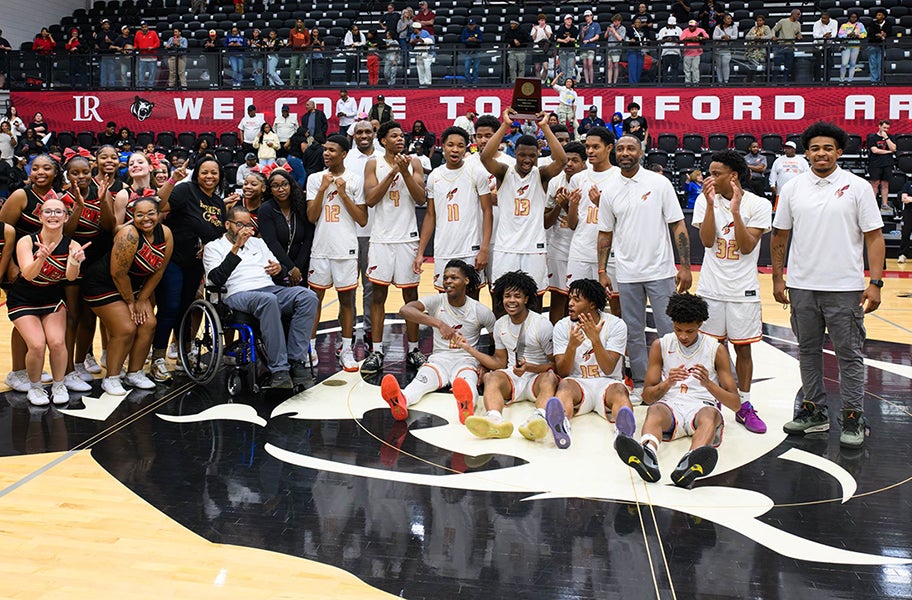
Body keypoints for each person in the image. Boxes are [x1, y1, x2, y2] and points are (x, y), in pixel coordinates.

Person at [771, 121, 885, 448]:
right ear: (806, 153)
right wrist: (779, 277)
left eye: (828, 148)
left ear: (839, 151)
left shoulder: (858, 186)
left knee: (848, 354)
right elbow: (780, 235)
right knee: (807, 351)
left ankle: (852, 415)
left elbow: (874, 237)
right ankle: (814, 412)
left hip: (845, 286)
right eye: (815, 148)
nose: (821, 153)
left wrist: (875, 282)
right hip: (802, 286)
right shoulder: (792, 187)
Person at [597, 134, 692, 400]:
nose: (625, 152)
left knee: (669, 331)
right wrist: (602, 271)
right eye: (620, 149)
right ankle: (641, 383)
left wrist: (684, 266)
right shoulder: (610, 189)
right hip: (626, 273)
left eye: (631, 148)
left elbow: (677, 224)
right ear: (615, 153)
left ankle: (674, 382)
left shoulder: (659, 183)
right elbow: (605, 233)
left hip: (660, 271)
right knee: (633, 332)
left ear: (641, 152)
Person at [614, 293, 741, 488]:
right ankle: (648, 454)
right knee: (654, 410)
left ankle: (691, 461)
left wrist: (709, 384)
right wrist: (667, 383)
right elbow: (647, 396)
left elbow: (735, 403)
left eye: (689, 331)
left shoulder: (716, 350)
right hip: (671, 405)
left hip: (702, 405)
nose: (683, 336)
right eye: (678, 329)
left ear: (700, 324)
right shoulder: (661, 345)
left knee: (709, 416)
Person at [691, 150, 771, 434]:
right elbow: (708, 241)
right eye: (709, 173)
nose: (709, 179)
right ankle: (713, 400)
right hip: (711, 287)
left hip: (742, 290)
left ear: (733, 176)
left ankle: (745, 405)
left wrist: (735, 211)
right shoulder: (705, 201)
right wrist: (712, 206)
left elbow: (747, 246)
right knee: (712, 350)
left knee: (743, 348)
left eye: (716, 174)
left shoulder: (758, 204)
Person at [204, 204, 318, 388]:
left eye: (248, 225)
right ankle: (279, 370)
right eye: (239, 225)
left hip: (268, 287)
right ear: (227, 225)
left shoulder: (258, 243)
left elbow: (280, 273)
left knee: (307, 297)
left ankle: (296, 362)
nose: (245, 230)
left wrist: (279, 269)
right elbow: (215, 280)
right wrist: (235, 248)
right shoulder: (213, 247)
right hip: (237, 293)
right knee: (268, 301)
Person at [379, 259, 496, 423]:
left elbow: (495, 343)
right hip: (439, 360)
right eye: (446, 277)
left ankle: (466, 406)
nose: (448, 281)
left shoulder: (480, 310)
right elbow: (405, 310)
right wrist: (439, 323)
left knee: (467, 381)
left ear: (466, 281)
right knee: (420, 381)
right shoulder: (436, 301)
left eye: (454, 278)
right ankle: (401, 400)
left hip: (466, 360)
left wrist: (484, 365)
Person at [81, 197, 172, 395]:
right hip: (102, 284)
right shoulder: (128, 234)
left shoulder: (165, 233)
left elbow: (158, 272)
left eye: (151, 213)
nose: (146, 218)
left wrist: (141, 300)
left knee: (149, 323)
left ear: (159, 215)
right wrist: (131, 302)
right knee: (126, 328)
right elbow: (118, 273)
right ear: (132, 216)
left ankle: (134, 373)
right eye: (140, 214)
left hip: (134, 287)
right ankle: (111, 378)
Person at [361, 120, 429, 374]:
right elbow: (370, 200)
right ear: (383, 141)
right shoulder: (373, 164)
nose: (400, 139)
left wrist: (405, 172)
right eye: (394, 135)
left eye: (402, 135)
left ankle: (413, 349)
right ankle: (377, 351)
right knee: (378, 296)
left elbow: (420, 197)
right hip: (381, 238)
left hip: (407, 238)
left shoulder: (414, 163)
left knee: (410, 296)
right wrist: (392, 173)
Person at [151, 157, 227, 382]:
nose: (209, 176)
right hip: (173, 259)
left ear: (220, 176)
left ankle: (184, 354)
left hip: (196, 265)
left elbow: (217, 234)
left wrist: (208, 246)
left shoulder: (218, 203)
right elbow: (159, 206)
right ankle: (158, 358)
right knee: (170, 307)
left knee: (186, 309)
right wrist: (173, 180)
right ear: (197, 174)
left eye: (214, 172)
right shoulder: (186, 190)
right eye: (204, 172)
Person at [7, 197, 87, 406]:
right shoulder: (26, 241)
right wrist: (41, 257)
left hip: (51, 299)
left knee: (58, 342)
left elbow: (70, 277)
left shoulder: (73, 244)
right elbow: (28, 274)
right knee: (36, 345)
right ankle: (35, 387)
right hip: (23, 299)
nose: (53, 215)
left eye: (58, 211)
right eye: (48, 211)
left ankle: (58, 384)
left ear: (66, 217)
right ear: (40, 215)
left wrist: (74, 261)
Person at [480, 109, 567, 296]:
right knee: (502, 297)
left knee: (534, 298)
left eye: (532, 156)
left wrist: (544, 126)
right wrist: (505, 125)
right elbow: (485, 157)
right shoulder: (504, 172)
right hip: (506, 248)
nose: (527, 160)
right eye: (522, 155)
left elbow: (562, 160)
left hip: (534, 248)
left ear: (537, 155)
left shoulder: (541, 174)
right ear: (515, 154)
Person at [463, 271, 558, 439]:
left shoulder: (542, 325)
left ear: (526, 299)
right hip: (512, 377)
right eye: (507, 296)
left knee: (550, 379)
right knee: (490, 378)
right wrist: (470, 350)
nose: (511, 301)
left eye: (517, 296)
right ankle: (494, 419)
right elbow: (500, 362)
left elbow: (556, 366)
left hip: (536, 378)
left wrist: (531, 367)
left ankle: (539, 419)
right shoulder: (500, 324)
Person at [545, 279, 635, 449]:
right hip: (578, 383)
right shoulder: (562, 327)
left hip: (608, 381)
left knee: (620, 391)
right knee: (564, 385)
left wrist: (595, 340)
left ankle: (624, 434)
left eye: (576, 300)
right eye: (570, 298)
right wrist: (571, 347)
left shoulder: (616, 325)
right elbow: (563, 371)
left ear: (592, 304)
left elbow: (608, 368)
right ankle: (562, 424)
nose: (570, 304)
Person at [305, 135, 367, 372]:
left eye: (332, 150)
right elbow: (311, 216)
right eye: (325, 149)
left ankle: (347, 349)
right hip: (320, 249)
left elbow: (362, 219)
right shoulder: (314, 179)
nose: (326, 153)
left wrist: (342, 193)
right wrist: (322, 189)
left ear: (344, 154)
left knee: (347, 301)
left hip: (346, 249)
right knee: (314, 300)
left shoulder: (354, 180)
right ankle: (309, 347)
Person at [416, 126, 493, 296]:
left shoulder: (477, 172)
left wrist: (484, 249)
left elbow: (487, 211)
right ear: (442, 146)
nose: (455, 149)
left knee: (472, 301)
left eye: (460, 145)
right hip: (444, 248)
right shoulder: (435, 176)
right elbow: (430, 215)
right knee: (445, 301)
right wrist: (420, 252)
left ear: (466, 148)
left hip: (471, 249)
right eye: (451, 145)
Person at [565, 127, 619, 313]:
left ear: (609, 147)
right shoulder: (578, 178)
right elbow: (572, 225)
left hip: (610, 254)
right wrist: (572, 205)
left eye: (595, 147)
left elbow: (622, 222)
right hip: (580, 250)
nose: (590, 151)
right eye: (587, 146)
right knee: (577, 305)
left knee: (613, 308)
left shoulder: (619, 177)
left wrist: (601, 205)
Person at [545, 141, 587, 323]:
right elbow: (546, 222)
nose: (569, 164)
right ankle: (556, 341)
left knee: (582, 299)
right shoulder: (555, 182)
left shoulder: (589, 182)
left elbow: (579, 223)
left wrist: (567, 205)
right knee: (558, 298)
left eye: (575, 160)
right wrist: (557, 206)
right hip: (558, 247)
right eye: (566, 160)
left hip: (582, 248)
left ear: (584, 163)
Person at [258, 169, 313, 293]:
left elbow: (308, 238)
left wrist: (297, 268)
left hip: (301, 266)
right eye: (275, 186)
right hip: (276, 267)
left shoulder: (301, 205)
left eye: (284, 184)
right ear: (270, 189)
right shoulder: (266, 209)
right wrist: (290, 268)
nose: (281, 189)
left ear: (291, 185)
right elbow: (271, 242)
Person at [867, 119, 896, 210]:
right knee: (874, 184)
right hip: (875, 164)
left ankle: (884, 204)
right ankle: (872, 204)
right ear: (879, 126)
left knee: (885, 184)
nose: (886, 130)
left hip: (887, 164)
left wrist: (886, 138)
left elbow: (894, 148)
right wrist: (888, 151)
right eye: (884, 128)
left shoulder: (890, 136)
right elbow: (874, 150)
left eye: (887, 128)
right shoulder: (872, 137)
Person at [772, 9, 802, 82]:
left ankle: (785, 81)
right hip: (781, 46)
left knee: (788, 66)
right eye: (798, 14)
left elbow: (798, 33)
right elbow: (774, 29)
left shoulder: (798, 24)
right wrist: (773, 36)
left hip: (790, 47)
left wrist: (799, 36)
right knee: (777, 64)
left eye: (799, 14)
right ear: (793, 14)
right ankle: (774, 81)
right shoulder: (783, 21)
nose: (799, 16)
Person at [838, 12, 866, 84]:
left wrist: (857, 35)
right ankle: (841, 80)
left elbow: (864, 33)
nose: (853, 18)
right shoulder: (844, 25)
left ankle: (850, 80)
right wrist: (847, 35)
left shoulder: (860, 25)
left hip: (855, 45)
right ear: (849, 17)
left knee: (852, 64)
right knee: (844, 63)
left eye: (855, 17)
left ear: (857, 18)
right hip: (846, 46)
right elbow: (840, 35)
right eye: (852, 17)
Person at [744, 15, 772, 83]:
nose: (759, 22)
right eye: (757, 21)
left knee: (761, 65)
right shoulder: (753, 28)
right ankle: (750, 80)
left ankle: (762, 80)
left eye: (760, 20)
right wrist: (754, 37)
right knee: (753, 65)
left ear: (763, 21)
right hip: (752, 49)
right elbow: (747, 36)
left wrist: (760, 38)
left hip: (761, 49)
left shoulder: (766, 28)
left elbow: (769, 36)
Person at [133, 21, 161, 88]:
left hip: (152, 57)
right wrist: (134, 47)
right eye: (143, 27)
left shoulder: (153, 33)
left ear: (147, 27)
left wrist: (152, 47)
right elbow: (136, 43)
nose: (144, 28)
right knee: (141, 74)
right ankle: (141, 87)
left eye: (145, 27)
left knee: (152, 74)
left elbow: (158, 43)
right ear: (141, 28)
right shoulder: (138, 34)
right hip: (142, 58)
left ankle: (150, 86)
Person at [680, 19, 708, 85]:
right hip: (687, 52)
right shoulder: (685, 30)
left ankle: (696, 82)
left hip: (697, 52)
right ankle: (688, 82)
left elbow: (707, 37)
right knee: (687, 69)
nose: (691, 27)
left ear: (696, 26)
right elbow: (681, 38)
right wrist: (691, 38)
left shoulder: (700, 30)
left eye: (692, 26)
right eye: (690, 26)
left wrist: (699, 38)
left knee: (695, 68)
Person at [812, 11, 838, 82]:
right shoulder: (817, 23)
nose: (823, 20)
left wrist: (828, 36)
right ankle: (817, 80)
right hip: (817, 45)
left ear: (829, 18)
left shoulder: (834, 22)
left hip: (828, 45)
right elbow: (815, 35)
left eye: (825, 18)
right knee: (817, 64)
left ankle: (827, 80)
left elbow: (834, 34)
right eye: (822, 18)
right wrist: (823, 36)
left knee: (828, 63)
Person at [867, 9, 891, 85]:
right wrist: (877, 35)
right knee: (873, 63)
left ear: (883, 16)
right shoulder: (872, 23)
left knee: (880, 64)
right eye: (877, 15)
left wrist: (885, 34)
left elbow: (890, 32)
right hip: (873, 45)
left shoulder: (888, 23)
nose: (877, 16)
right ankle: (874, 81)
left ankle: (881, 80)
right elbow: (870, 34)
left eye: (879, 15)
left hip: (882, 46)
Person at [713, 13, 737, 84]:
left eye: (730, 18)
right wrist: (722, 37)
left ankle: (726, 80)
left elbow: (735, 36)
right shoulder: (718, 27)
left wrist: (729, 37)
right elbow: (714, 37)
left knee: (725, 64)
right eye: (728, 18)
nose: (730, 20)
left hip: (727, 49)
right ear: (724, 20)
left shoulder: (733, 27)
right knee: (718, 65)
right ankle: (720, 81)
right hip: (718, 49)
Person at [578, 10, 601, 86]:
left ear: (592, 16)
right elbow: (581, 38)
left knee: (590, 64)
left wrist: (589, 40)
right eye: (586, 16)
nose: (587, 18)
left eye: (588, 16)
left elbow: (597, 36)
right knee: (585, 64)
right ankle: (587, 83)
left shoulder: (596, 25)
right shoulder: (582, 26)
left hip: (591, 47)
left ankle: (591, 82)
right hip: (583, 47)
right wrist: (583, 32)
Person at [657, 17, 683, 83]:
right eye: (670, 25)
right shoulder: (662, 30)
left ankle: (674, 83)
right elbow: (659, 41)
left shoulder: (679, 30)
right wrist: (666, 39)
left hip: (676, 52)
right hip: (666, 52)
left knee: (675, 69)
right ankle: (664, 83)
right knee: (664, 69)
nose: (671, 26)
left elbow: (682, 41)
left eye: (673, 25)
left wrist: (676, 40)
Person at [408, 22, 435, 87]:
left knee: (427, 67)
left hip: (427, 53)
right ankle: (422, 83)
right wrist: (413, 41)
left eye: (414, 29)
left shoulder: (425, 32)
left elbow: (430, 41)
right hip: (418, 53)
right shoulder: (413, 35)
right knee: (420, 68)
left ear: (417, 28)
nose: (413, 30)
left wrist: (422, 40)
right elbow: (411, 42)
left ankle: (428, 82)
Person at [626, 17, 650, 84]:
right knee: (632, 68)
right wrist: (630, 40)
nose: (638, 24)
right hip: (632, 50)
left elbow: (647, 39)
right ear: (634, 23)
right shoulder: (630, 30)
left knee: (639, 68)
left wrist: (647, 41)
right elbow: (625, 39)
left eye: (639, 22)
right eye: (636, 22)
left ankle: (637, 83)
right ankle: (632, 84)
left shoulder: (644, 30)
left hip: (641, 51)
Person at [554, 15, 578, 82]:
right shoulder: (561, 28)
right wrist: (564, 41)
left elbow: (575, 39)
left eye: (570, 19)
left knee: (570, 67)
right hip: (562, 50)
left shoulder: (574, 28)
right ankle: (563, 82)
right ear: (565, 21)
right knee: (563, 67)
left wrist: (569, 39)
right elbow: (557, 39)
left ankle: (568, 82)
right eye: (567, 19)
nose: (569, 20)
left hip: (571, 50)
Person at [603, 14, 625, 85]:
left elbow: (620, 39)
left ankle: (614, 82)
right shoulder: (611, 26)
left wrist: (614, 32)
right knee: (609, 66)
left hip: (617, 49)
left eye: (615, 22)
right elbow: (605, 37)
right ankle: (609, 82)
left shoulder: (622, 28)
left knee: (615, 66)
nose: (614, 23)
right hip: (609, 49)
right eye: (613, 21)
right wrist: (607, 31)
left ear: (619, 21)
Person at [288, 19, 310, 88]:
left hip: (303, 51)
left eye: (300, 22)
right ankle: (292, 83)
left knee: (302, 68)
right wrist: (289, 43)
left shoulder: (306, 31)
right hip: (295, 51)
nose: (299, 24)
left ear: (303, 23)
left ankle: (300, 83)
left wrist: (305, 44)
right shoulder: (292, 31)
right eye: (298, 22)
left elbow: (308, 41)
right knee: (293, 68)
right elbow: (290, 40)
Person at [531, 13, 553, 82]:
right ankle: (539, 81)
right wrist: (536, 30)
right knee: (537, 68)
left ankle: (543, 80)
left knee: (546, 68)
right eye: (541, 20)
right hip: (536, 48)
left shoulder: (548, 27)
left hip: (544, 49)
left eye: (544, 20)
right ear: (538, 21)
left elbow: (549, 36)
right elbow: (533, 38)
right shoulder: (535, 28)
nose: (542, 22)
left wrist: (544, 30)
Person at [461, 20, 482, 86]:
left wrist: (475, 40)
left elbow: (481, 40)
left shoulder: (478, 31)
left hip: (477, 50)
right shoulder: (465, 31)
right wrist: (467, 40)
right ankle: (467, 82)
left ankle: (474, 83)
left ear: (475, 25)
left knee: (476, 68)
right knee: (467, 67)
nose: (471, 26)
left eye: (472, 25)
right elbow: (462, 40)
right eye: (470, 25)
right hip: (468, 50)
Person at [898, 180, 912, 264]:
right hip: (909, 211)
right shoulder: (908, 183)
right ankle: (902, 254)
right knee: (905, 233)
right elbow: (903, 197)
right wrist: (905, 196)